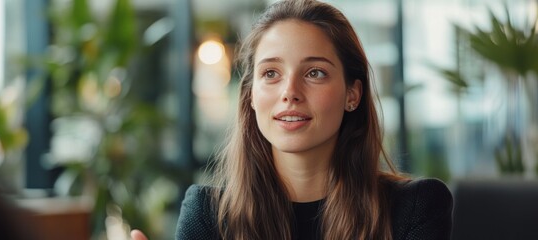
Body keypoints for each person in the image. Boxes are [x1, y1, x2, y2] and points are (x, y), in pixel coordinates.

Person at [133, 0, 452, 239]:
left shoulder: (415, 209)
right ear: (252, 96)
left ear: (352, 94)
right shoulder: (208, 215)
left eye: (315, 73)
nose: (290, 92)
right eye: (271, 73)